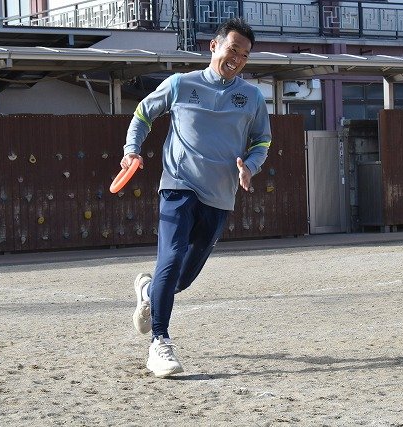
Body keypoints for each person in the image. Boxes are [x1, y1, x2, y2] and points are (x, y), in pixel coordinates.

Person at [120, 17, 271, 378]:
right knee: (171, 259)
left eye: (245, 55)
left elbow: (262, 141)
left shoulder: (251, 97)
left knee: (182, 279)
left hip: (220, 196)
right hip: (178, 184)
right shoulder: (180, 84)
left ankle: (148, 292)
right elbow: (142, 114)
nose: (238, 59)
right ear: (214, 46)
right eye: (233, 49)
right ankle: (159, 343)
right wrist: (132, 149)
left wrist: (250, 166)